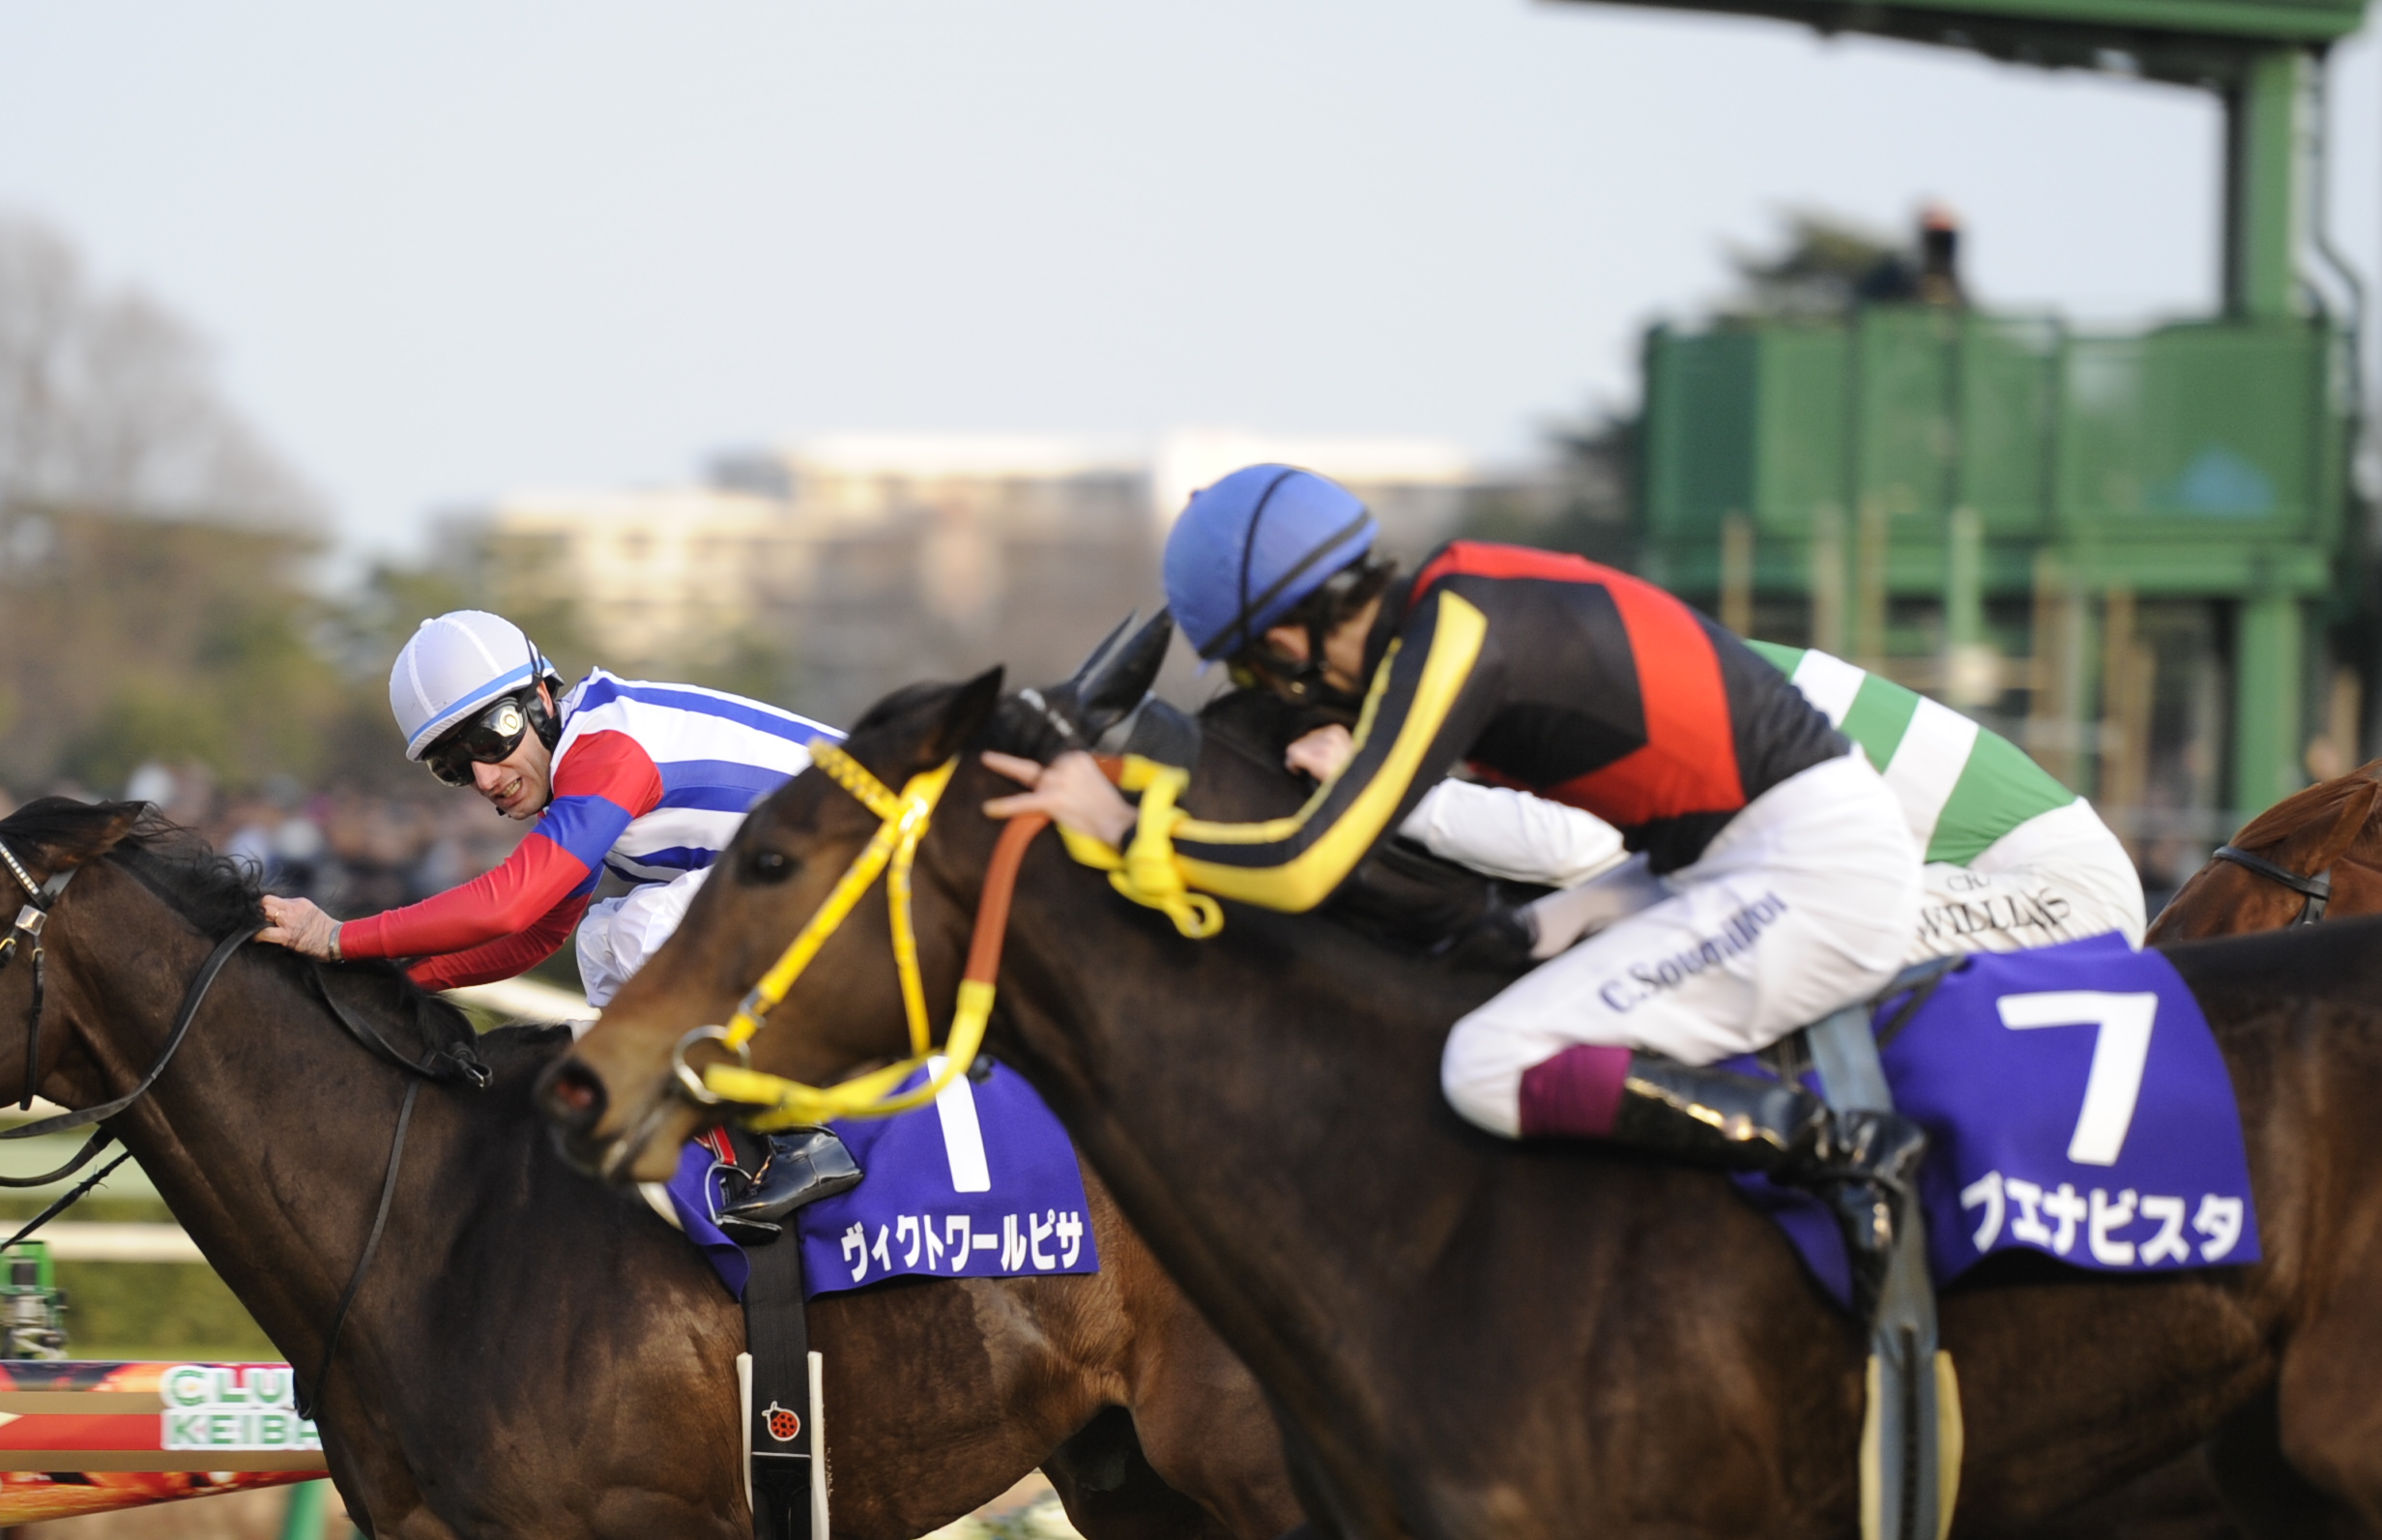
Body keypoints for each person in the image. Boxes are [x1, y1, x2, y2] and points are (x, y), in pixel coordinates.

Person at [994, 463, 1922, 1194]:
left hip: (1809, 872)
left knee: (1488, 1062)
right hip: (1727, 855)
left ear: (1285, 645)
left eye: (1260, 676)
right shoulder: (1455, 604)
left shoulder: (1459, 630)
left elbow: (1307, 865)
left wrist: (1117, 828)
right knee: (1491, 958)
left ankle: (1840, 1154)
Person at [260, 608, 856, 1206]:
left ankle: (802, 1137)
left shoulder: (609, 753)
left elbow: (509, 906)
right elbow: (536, 936)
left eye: (491, 737)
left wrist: (340, 939)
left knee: (639, 929)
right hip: (834, 879)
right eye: (453, 766)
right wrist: (391, 980)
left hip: (883, 867)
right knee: (600, 936)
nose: (486, 776)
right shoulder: (579, 768)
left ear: (543, 698)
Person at [1268, 641, 2142, 960]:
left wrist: (1390, 793)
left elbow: (1574, 848)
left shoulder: (1629, 698)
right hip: (1990, 876)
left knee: (1726, 936)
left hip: (2061, 896)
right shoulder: (1620, 668)